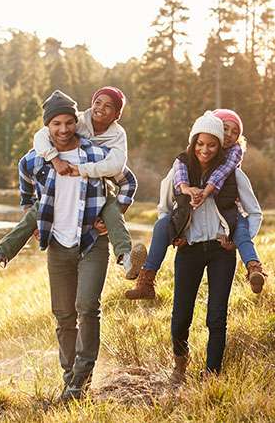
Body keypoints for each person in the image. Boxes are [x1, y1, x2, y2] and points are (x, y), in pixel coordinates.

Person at [15, 91, 138, 400]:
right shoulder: (38, 157)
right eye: (56, 123)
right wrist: (30, 211)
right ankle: (70, 379)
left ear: (75, 123)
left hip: (91, 241)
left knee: (87, 307)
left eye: (69, 122)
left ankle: (81, 379)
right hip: (57, 242)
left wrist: (113, 214)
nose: (64, 129)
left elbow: (128, 179)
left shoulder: (95, 153)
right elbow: (24, 178)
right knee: (63, 314)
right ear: (47, 127)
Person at [0, 88, 146, 280]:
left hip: (99, 190)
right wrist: (54, 159)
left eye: (109, 106)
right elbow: (41, 136)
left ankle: (126, 259)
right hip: (61, 194)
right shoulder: (78, 120)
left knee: (112, 210)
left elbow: (119, 168)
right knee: (37, 210)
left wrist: (117, 208)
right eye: (98, 102)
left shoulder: (117, 135)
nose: (100, 108)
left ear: (117, 115)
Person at [157, 112, 262, 381]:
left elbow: (255, 213)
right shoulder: (180, 171)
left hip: (220, 252)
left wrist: (237, 239)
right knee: (181, 314)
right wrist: (173, 234)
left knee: (216, 316)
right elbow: (163, 209)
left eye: (213, 143)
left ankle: (212, 373)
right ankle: (180, 364)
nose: (205, 149)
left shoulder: (234, 175)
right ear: (194, 142)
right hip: (189, 250)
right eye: (201, 144)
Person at [125, 109, 267, 300]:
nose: (230, 135)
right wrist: (177, 231)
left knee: (241, 229)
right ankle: (145, 279)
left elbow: (245, 201)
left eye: (235, 133)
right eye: (225, 129)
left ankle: (254, 269)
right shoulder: (184, 161)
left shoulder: (233, 162)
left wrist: (207, 193)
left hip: (227, 220)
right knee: (161, 225)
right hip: (190, 232)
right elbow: (167, 200)